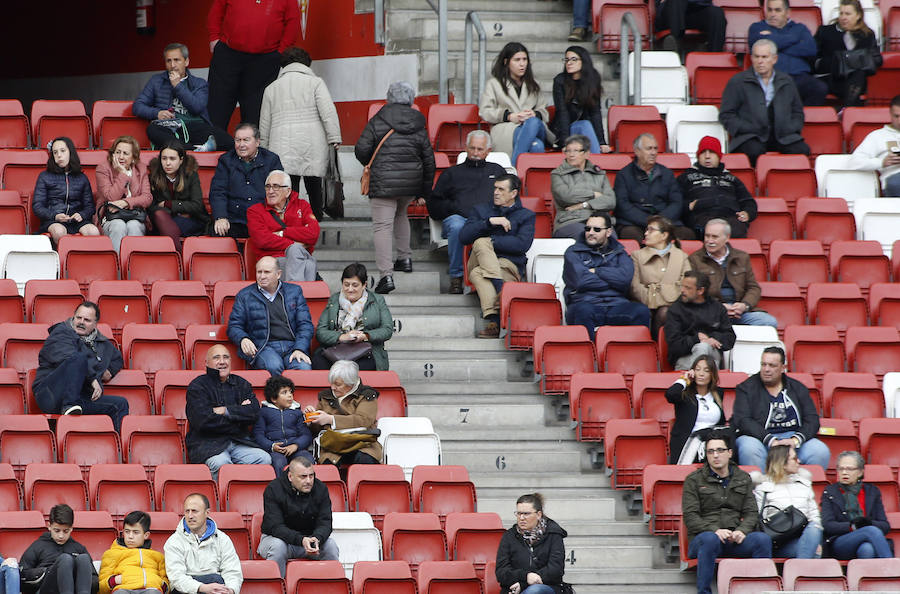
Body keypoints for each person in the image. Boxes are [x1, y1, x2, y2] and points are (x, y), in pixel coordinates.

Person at [355, 81, 435, 294]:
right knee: (401, 215)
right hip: (410, 183)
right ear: (411, 99)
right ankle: (404, 258)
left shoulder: (378, 119)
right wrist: (424, 191)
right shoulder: (418, 123)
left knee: (382, 226)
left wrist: (370, 162)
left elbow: (361, 149)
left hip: (383, 182)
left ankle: (386, 275)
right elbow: (429, 160)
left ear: (388, 98)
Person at [682, 429, 772, 594]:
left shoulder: (743, 478)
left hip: (733, 539)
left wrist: (742, 531)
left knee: (762, 540)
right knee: (710, 539)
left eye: (720, 450)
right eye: (710, 451)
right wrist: (714, 530)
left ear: (730, 453)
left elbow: (751, 512)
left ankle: (758, 590)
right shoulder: (693, 480)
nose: (715, 455)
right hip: (704, 540)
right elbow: (691, 517)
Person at [259, 46, 342, 220]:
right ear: (306, 64)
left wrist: (264, 148)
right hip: (312, 141)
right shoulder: (316, 83)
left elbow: (265, 122)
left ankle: (292, 218)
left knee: (289, 183)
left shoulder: (271, 88)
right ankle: (316, 216)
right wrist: (334, 136)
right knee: (314, 180)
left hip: (282, 143)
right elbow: (328, 112)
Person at [426, 130, 507, 294]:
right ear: (466, 148)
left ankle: (495, 277)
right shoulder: (451, 173)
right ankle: (456, 277)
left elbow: (509, 198)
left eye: (480, 149)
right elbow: (433, 205)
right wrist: (456, 207)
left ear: (488, 151)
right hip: (460, 220)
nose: (475, 153)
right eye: (472, 148)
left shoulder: (498, 171)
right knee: (457, 225)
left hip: (488, 219)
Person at [459, 173, 536, 339]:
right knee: (480, 243)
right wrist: (489, 222)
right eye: (495, 188)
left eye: (501, 189)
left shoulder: (526, 215)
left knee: (478, 273)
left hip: (507, 265)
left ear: (513, 193)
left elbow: (522, 245)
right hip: (477, 260)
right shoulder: (481, 210)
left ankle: (494, 320)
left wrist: (493, 241)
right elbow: (464, 237)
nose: (496, 192)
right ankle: (501, 288)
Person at [32, 302, 129, 431]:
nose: (81, 322)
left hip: (80, 398)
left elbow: (117, 359)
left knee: (120, 404)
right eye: (78, 318)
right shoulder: (61, 333)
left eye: (87, 320)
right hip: (51, 395)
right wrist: (93, 378)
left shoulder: (102, 343)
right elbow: (70, 357)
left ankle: (117, 443)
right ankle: (68, 407)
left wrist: (109, 371)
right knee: (78, 357)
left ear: (95, 324)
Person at [732, 347, 830, 471]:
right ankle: (760, 483)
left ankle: (803, 483)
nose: (766, 369)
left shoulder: (798, 388)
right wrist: (771, 440)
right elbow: (743, 420)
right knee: (748, 448)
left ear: (783, 368)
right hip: (760, 438)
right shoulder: (746, 388)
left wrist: (795, 440)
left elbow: (812, 419)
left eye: (772, 365)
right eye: (763, 364)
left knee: (820, 451)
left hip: (792, 438)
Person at [206, 0, 300, 129]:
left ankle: (250, 142)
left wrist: (281, 52)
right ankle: (213, 140)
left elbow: (293, 22)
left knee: (254, 114)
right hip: (228, 55)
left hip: (265, 60)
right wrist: (214, 37)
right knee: (217, 108)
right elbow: (216, 11)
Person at [185, 344, 271, 480]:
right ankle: (222, 494)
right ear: (206, 363)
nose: (222, 361)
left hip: (239, 442)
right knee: (222, 463)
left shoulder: (242, 384)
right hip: (208, 444)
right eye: (216, 358)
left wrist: (225, 411)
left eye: (226, 357)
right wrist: (239, 416)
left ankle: (243, 491)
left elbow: (254, 413)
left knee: (264, 459)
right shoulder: (197, 386)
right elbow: (203, 422)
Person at [719, 38, 810, 166]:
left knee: (801, 151)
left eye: (764, 57)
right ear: (751, 58)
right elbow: (726, 115)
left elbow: (797, 112)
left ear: (774, 59)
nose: (760, 61)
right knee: (753, 151)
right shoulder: (737, 82)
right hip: (750, 136)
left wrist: (790, 128)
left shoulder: (787, 81)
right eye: (756, 57)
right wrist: (746, 128)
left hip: (783, 136)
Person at [563, 212, 650, 340]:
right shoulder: (573, 252)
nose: (591, 232)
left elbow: (625, 280)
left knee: (641, 311)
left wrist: (597, 271)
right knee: (583, 311)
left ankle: (631, 352)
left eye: (597, 229)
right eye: (588, 228)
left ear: (608, 232)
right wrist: (613, 280)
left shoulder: (620, 253)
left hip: (616, 305)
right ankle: (588, 352)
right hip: (585, 302)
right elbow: (581, 281)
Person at [132, 43, 231, 153]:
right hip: (170, 127)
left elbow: (197, 108)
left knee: (228, 141)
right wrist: (157, 113)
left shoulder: (199, 83)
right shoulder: (156, 81)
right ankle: (193, 149)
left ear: (186, 62)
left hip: (195, 127)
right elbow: (137, 106)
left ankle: (186, 147)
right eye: (168, 61)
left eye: (176, 60)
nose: (172, 65)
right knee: (152, 129)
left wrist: (178, 86)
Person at [227, 256, 314, 374]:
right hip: (263, 346)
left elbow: (305, 324)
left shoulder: (294, 291)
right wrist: (243, 338)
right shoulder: (245, 295)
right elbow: (234, 326)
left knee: (303, 367)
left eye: (267, 272)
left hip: (292, 345)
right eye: (259, 272)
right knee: (273, 366)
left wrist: (300, 348)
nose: (262, 276)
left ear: (278, 274)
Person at [257, 457, 339, 577]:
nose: (308, 481)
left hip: (310, 540)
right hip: (279, 539)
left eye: (311, 476)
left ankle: (330, 584)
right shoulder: (274, 489)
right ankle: (277, 585)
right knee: (278, 547)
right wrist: (300, 540)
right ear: (290, 476)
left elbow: (325, 522)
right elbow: (275, 527)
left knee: (330, 545)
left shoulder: (321, 488)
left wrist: (317, 538)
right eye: (303, 477)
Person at [688, 219, 778, 327]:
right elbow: (694, 291)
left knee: (768, 322)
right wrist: (719, 307)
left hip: (740, 311)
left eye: (715, 237)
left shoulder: (742, 257)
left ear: (727, 238)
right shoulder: (695, 259)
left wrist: (744, 305)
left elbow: (753, 287)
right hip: (711, 311)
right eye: (707, 236)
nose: (709, 241)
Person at [479, 42, 555, 167]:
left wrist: (534, 114)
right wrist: (509, 116)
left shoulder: (534, 84)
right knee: (537, 146)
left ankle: (513, 168)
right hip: (507, 129)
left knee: (533, 121)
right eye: (517, 60)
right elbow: (485, 112)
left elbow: (544, 112)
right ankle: (527, 176)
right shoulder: (494, 84)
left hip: (534, 127)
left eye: (525, 59)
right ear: (506, 62)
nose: (522, 64)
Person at [312, 262, 393, 371]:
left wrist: (365, 336)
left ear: (364, 285)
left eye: (355, 285)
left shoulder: (377, 300)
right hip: (336, 348)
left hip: (366, 350)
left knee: (364, 367)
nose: (350, 289)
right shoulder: (334, 300)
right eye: (346, 284)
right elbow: (321, 332)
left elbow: (387, 329)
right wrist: (342, 337)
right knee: (319, 362)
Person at [209, 123, 284, 239]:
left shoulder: (271, 160)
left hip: (263, 218)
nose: (241, 145)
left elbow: (279, 192)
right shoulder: (226, 160)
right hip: (234, 219)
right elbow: (218, 191)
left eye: (246, 140)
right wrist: (220, 217)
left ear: (257, 142)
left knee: (282, 234)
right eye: (238, 140)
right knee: (218, 231)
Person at [614, 134, 692, 241]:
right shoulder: (624, 175)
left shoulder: (667, 173)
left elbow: (676, 202)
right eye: (649, 149)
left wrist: (660, 221)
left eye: (655, 148)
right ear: (637, 151)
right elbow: (622, 205)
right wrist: (648, 221)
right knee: (631, 235)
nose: (653, 152)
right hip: (635, 224)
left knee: (687, 234)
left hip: (665, 222)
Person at [304, 360, 383, 466]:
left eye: (338, 384)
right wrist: (312, 419)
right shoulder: (325, 396)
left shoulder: (367, 395)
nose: (333, 387)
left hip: (362, 443)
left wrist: (330, 419)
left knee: (365, 460)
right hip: (333, 444)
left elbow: (363, 420)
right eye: (331, 383)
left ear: (351, 383)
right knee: (328, 465)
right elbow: (316, 431)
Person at [748, 0, 827, 106]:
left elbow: (810, 49)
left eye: (777, 10)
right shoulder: (757, 27)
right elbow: (758, 46)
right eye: (770, 10)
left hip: (799, 76)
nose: (773, 14)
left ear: (787, 12)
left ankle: (802, 116)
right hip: (770, 76)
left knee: (820, 88)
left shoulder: (800, 28)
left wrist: (773, 42)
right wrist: (794, 38)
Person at [246, 170, 320, 282]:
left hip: (300, 258)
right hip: (272, 261)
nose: (270, 191)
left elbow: (313, 233)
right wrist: (295, 244)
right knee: (306, 263)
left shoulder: (302, 205)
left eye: (276, 187)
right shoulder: (255, 211)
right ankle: (297, 291)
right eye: (268, 187)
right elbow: (263, 240)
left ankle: (294, 290)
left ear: (288, 191)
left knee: (305, 261)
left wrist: (283, 233)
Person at [677, 137, 757, 239]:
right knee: (709, 230)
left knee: (737, 229)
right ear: (698, 156)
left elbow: (748, 201)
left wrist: (747, 213)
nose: (707, 156)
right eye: (703, 153)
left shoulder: (732, 179)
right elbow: (675, 202)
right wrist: (690, 206)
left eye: (712, 152)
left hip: (730, 219)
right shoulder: (686, 177)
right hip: (701, 218)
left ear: (719, 156)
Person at [752, 445, 823, 558]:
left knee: (815, 528)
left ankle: (801, 567)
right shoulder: (764, 487)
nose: (799, 461)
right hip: (778, 542)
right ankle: (803, 567)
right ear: (782, 463)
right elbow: (759, 521)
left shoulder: (804, 484)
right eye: (794, 458)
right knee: (813, 551)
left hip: (801, 537)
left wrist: (813, 540)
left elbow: (814, 516)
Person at [164, 494, 242, 594]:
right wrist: (202, 588)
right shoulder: (174, 541)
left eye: (194, 511)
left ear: (207, 513)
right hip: (184, 591)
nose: (190, 516)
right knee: (215, 579)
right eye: (187, 511)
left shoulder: (222, 539)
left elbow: (232, 571)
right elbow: (177, 578)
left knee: (217, 581)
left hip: (216, 589)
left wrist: (230, 590)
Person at [821, 451, 894, 559]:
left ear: (860, 472)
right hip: (840, 542)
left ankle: (870, 571)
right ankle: (893, 567)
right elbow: (828, 525)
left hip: (867, 541)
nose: (844, 472)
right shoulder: (830, 492)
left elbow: (885, 526)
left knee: (867, 549)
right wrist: (853, 526)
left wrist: (868, 523)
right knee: (871, 530)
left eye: (849, 469)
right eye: (841, 469)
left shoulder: (872, 491)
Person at [630, 215, 691, 336]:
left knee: (666, 312)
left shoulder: (681, 256)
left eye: (651, 230)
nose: (646, 233)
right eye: (646, 230)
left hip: (674, 305)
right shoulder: (637, 255)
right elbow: (634, 287)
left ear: (664, 235)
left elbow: (687, 285)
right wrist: (654, 300)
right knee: (648, 312)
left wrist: (658, 297)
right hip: (645, 304)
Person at [815, 0, 883, 108]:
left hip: (855, 79)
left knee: (858, 75)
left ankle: (847, 109)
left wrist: (856, 60)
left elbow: (877, 60)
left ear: (858, 15)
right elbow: (813, 60)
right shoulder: (825, 32)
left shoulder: (867, 35)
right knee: (856, 83)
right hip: (831, 77)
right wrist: (836, 62)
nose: (843, 17)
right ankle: (849, 111)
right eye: (841, 13)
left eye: (848, 14)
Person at [32, 137, 99, 245]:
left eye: (62, 151)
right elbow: (38, 206)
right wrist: (55, 216)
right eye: (55, 152)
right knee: (59, 231)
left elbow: (90, 207)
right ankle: (64, 256)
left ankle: (84, 256)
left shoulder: (82, 178)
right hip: (53, 220)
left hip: (76, 221)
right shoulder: (44, 176)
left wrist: (81, 214)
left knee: (93, 231)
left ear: (70, 152)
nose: (59, 155)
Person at [495, 493, 567, 594]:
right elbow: (501, 572)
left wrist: (524, 583)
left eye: (526, 514)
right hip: (513, 589)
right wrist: (525, 576)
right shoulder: (509, 536)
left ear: (538, 515)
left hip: (547, 587)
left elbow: (555, 570)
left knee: (535, 590)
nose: (521, 518)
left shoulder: (553, 535)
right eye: (519, 513)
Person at [664, 270, 735, 370]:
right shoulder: (675, 310)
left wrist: (709, 338)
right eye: (682, 286)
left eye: (687, 288)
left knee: (704, 348)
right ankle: (704, 377)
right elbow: (674, 346)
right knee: (702, 348)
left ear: (701, 290)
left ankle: (702, 376)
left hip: (712, 355)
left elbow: (730, 338)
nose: (682, 291)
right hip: (685, 358)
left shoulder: (717, 308)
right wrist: (697, 339)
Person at [19, 504, 98, 594]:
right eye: (57, 531)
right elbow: (23, 576)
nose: (61, 536)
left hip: (76, 590)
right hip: (46, 588)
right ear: (49, 526)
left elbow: (95, 582)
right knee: (65, 560)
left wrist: (76, 576)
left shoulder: (79, 548)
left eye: (65, 531)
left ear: (71, 528)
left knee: (83, 558)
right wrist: (45, 572)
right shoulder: (38, 546)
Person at [550, 134, 615, 240]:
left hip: (598, 221)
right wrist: (593, 194)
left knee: (611, 238)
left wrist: (584, 205)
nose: (571, 155)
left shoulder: (599, 174)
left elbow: (611, 201)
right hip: (570, 221)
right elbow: (566, 197)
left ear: (587, 154)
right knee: (587, 236)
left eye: (576, 151)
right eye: (568, 151)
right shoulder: (558, 174)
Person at [95, 136, 152, 253]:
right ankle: (117, 263)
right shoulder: (103, 169)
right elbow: (110, 197)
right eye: (118, 152)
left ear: (133, 157)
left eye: (125, 153)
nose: (120, 157)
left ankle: (133, 261)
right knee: (118, 225)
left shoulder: (141, 169)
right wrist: (123, 174)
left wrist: (125, 202)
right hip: (110, 217)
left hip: (135, 216)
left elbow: (147, 198)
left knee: (134, 226)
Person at [147, 142, 209, 249]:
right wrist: (174, 211)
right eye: (164, 158)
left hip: (191, 221)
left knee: (163, 219)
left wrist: (169, 204)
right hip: (162, 220)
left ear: (181, 160)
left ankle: (175, 254)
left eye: (172, 159)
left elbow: (197, 205)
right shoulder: (154, 176)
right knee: (159, 215)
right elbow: (151, 207)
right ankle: (177, 253)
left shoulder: (191, 175)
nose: (167, 163)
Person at [666, 355, 726, 464]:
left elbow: (721, 423)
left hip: (712, 444)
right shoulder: (684, 394)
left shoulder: (718, 393)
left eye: (706, 370)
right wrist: (685, 379)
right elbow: (670, 394)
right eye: (698, 370)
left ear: (712, 374)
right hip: (688, 443)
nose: (701, 374)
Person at [551, 47, 610, 154]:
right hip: (565, 130)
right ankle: (597, 161)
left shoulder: (593, 79)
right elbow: (562, 112)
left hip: (586, 129)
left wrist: (602, 142)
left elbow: (595, 113)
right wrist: (565, 143)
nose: (569, 63)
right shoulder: (560, 81)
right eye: (567, 60)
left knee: (585, 124)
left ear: (584, 61)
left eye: (574, 59)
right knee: (584, 124)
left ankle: (595, 158)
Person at [253, 375, 314, 473]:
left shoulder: (297, 413)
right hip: (276, 450)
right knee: (278, 463)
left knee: (307, 460)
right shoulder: (263, 413)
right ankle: (281, 483)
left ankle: (306, 482)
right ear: (274, 398)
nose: (290, 395)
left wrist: (296, 445)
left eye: (290, 392)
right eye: (284, 392)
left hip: (296, 449)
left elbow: (306, 435)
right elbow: (258, 435)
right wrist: (272, 446)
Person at [98, 511, 167, 594]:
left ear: (146, 535)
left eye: (135, 532)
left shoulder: (158, 557)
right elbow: (101, 588)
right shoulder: (111, 554)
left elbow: (167, 586)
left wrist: (160, 582)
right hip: (123, 589)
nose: (130, 536)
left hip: (151, 588)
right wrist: (115, 580)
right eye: (127, 531)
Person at [848, 94, 900, 197]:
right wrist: (882, 162)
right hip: (894, 180)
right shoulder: (877, 136)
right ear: (890, 114)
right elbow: (854, 162)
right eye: (896, 116)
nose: (899, 121)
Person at [654, 0, 726, 54]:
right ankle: (675, 45)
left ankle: (714, 57)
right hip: (671, 12)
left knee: (717, 13)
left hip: (695, 10)